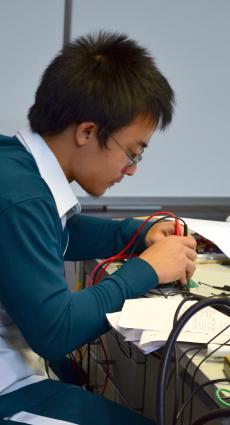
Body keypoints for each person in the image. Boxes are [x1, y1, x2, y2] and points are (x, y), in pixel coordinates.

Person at [0, 31, 197, 424]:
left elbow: (58, 234)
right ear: (87, 131)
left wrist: (134, 233)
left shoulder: (14, 166)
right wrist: (147, 270)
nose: (132, 169)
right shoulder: (21, 197)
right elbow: (55, 330)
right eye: (132, 152)